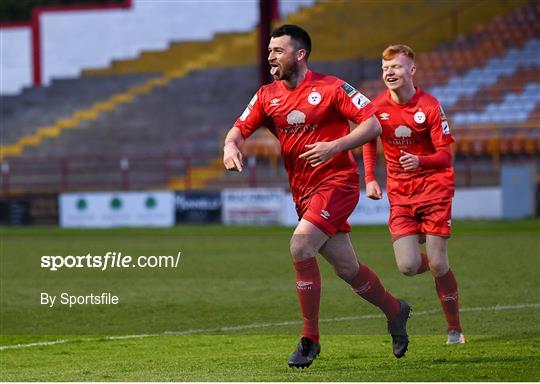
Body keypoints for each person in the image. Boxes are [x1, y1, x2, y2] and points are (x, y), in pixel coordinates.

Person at [223, 25, 411, 369]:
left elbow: (373, 124)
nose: (270, 58)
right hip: (304, 193)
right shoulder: (267, 96)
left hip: (337, 184)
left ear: (300, 54)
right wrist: (230, 145)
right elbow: (238, 129)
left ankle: (310, 339)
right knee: (348, 269)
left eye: (277, 51)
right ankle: (396, 311)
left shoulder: (331, 88)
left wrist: (335, 146)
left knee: (300, 246)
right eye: (269, 51)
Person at [362, 44, 465, 345]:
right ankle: (438, 266)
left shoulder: (431, 106)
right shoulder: (377, 107)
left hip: (434, 190)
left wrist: (421, 161)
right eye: (385, 69)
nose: (390, 73)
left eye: (396, 67)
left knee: (437, 262)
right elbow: (369, 140)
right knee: (407, 266)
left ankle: (454, 329)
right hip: (401, 195)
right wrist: (369, 178)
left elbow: (445, 157)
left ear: (411, 70)